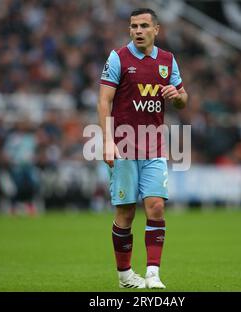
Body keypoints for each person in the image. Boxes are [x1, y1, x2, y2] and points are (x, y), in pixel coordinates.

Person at [97, 8, 188, 289]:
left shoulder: (167, 61)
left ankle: (153, 274)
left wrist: (177, 96)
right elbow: (104, 101)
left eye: (144, 26)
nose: (138, 30)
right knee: (125, 212)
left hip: (154, 147)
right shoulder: (118, 58)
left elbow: (183, 98)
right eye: (134, 26)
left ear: (156, 30)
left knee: (156, 207)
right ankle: (125, 275)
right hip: (124, 147)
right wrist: (107, 141)